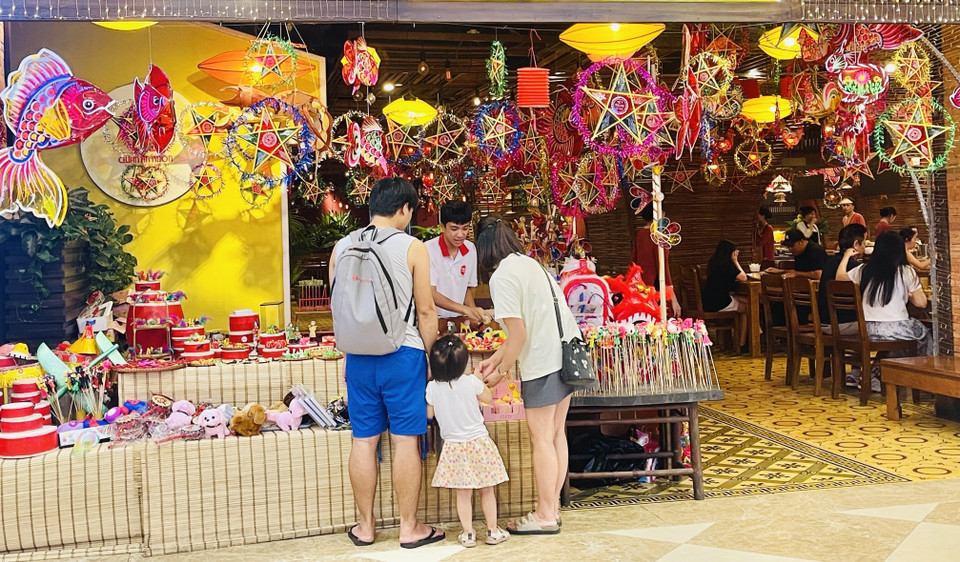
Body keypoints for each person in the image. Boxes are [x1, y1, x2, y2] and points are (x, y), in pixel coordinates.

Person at [329, 177, 443, 549]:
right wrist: (430, 359)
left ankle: (365, 527)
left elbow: (338, 308)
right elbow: (426, 311)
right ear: (405, 209)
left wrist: (350, 350)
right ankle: (409, 528)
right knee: (406, 441)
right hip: (403, 353)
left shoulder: (341, 247)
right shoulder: (413, 247)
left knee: (363, 440)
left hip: (358, 358)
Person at [474, 216, 582, 535]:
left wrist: (500, 372)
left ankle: (545, 513)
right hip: (567, 354)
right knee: (555, 434)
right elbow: (521, 333)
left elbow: (518, 336)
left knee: (541, 440)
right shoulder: (531, 265)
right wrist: (494, 361)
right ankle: (553, 506)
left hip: (543, 363)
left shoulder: (502, 277)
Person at [426, 335, 510, 548]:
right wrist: (480, 380)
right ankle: (492, 531)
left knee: (462, 494)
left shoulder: (432, 388)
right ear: (464, 362)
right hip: (479, 442)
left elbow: (429, 414)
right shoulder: (471, 381)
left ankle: (469, 533)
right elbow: (488, 398)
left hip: (453, 447)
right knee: (487, 489)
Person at [837, 231, 932, 392]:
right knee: (924, 335)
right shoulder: (905, 271)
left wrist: (846, 257)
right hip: (895, 328)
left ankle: (879, 374)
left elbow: (839, 278)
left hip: (867, 329)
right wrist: (907, 294)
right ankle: (921, 380)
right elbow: (922, 303)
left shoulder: (864, 269)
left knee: (895, 344)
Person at [426, 201, 487, 326]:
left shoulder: (470, 249)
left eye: (465, 228)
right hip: (433, 320)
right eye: (454, 229)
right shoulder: (428, 249)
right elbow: (430, 292)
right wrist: (465, 309)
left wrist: (473, 314)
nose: (461, 234)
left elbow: (468, 289)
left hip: (459, 319)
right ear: (442, 227)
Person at [630, 203, 681, 316]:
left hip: (640, 287)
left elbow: (633, 261)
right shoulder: (657, 237)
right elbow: (663, 267)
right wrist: (673, 299)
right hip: (655, 290)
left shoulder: (640, 234)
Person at [819, 224, 867, 337]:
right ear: (856, 244)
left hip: (824, 322)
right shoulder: (855, 267)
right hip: (845, 324)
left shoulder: (829, 262)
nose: (865, 246)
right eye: (864, 242)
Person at [701, 240, 749, 347]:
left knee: (747, 301)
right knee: (747, 307)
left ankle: (752, 334)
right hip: (719, 302)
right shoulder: (727, 265)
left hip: (708, 300)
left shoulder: (714, 263)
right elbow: (743, 277)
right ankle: (742, 343)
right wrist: (736, 261)